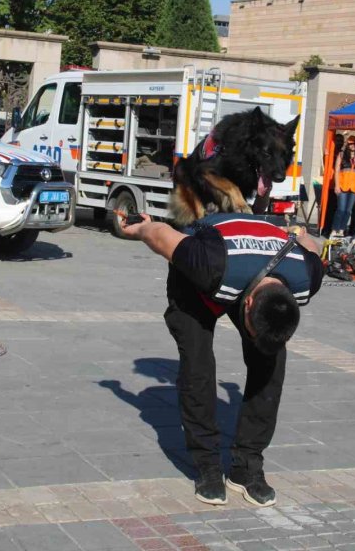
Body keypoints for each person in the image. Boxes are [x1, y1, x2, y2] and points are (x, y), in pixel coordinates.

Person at [119, 212, 323, 508]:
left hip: (251, 269)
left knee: (271, 365)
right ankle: (208, 466)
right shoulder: (206, 261)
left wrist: (301, 233)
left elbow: (311, 245)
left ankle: (246, 467)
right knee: (198, 366)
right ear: (248, 303)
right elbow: (161, 235)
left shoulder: (307, 275)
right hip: (198, 284)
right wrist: (140, 227)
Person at [331, 135, 355, 237]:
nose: (353, 146)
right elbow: (337, 170)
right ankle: (335, 229)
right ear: (347, 144)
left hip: (354, 187)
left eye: (354, 143)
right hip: (343, 185)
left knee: (348, 211)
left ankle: (342, 229)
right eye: (350, 143)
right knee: (341, 209)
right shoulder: (342, 154)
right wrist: (337, 185)